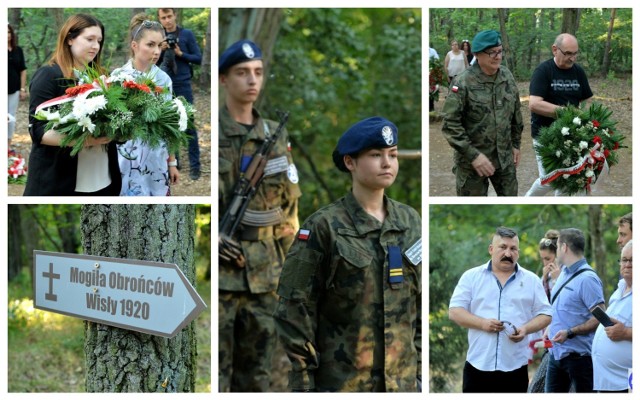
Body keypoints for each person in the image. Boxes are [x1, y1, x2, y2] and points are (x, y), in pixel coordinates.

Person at [274, 117, 421, 392]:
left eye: (393, 154)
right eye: (376, 155)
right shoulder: (323, 227)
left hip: (403, 385)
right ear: (350, 162)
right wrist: (305, 383)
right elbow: (293, 310)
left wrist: (420, 372)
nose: (387, 163)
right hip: (343, 384)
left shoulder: (410, 221)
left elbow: (420, 302)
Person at [218, 39, 301, 392]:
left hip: (267, 278)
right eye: (242, 73)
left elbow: (289, 208)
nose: (252, 80)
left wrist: (292, 275)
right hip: (219, 280)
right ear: (223, 79)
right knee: (216, 378)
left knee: (257, 380)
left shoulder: (275, 136)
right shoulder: (210, 134)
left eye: (258, 73)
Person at [24, 14, 121, 196]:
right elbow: (37, 130)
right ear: (70, 39)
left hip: (103, 180)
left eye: (99, 41)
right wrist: (85, 140)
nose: (95, 46)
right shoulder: (48, 75)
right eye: (89, 39)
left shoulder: (104, 76)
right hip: (60, 182)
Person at [449, 227, 551, 392]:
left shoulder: (531, 280)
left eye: (513, 249)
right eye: (502, 247)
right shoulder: (471, 277)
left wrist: (525, 329)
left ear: (518, 252)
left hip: (515, 367)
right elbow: (454, 311)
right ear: (491, 249)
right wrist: (482, 323)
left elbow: (546, 314)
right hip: (478, 365)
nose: (508, 253)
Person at [442, 30, 523, 196]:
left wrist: (515, 144)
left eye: (500, 51)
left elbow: (516, 113)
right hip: (472, 163)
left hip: (504, 157)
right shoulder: (463, 82)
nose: (497, 56)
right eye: (492, 52)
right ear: (477, 54)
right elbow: (450, 124)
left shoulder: (506, 76)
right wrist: (473, 156)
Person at [115, 14, 179, 196]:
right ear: (135, 46)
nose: (157, 51)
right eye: (150, 45)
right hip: (125, 155)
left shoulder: (164, 79)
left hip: (155, 155)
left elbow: (170, 125)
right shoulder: (119, 77)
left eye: (160, 45)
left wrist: (172, 162)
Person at [525, 33, 593, 196]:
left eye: (575, 53)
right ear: (555, 50)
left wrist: (585, 118)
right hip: (545, 135)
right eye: (568, 53)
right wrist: (566, 112)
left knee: (568, 179)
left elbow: (587, 100)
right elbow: (534, 104)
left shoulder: (578, 72)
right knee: (551, 178)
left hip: (571, 136)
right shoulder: (543, 71)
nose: (572, 58)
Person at [545, 228, 604, 392]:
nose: (556, 251)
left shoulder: (588, 279)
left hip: (579, 359)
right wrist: (550, 328)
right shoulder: (563, 272)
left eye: (557, 247)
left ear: (564, 247)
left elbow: (600, 317)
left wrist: (570, 332)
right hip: (555, 355)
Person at [157, 8, 202, 180]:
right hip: (164, 85)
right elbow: (153, 61)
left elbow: (199, 58)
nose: (167, 20)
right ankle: (175, 163)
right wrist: (160, 50)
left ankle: (195, 167)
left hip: (183, 83)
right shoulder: (158, 36)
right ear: (160, 19)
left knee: (189, 125)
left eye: (169, 16)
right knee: (170, 124)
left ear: (175, 15)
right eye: (163, 18)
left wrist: (180, 53)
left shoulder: (187, 34)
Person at [592, 240, 632, 392]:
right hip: (607, 381)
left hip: (627, 381)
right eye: (624, 260)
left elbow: (624, 331)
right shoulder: (619, 290)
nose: (627, 264)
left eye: (632, 260)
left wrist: (626, 332)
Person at [8, 23, 27, 149]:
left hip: (14, 90)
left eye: (9, 32)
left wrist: (22, 89)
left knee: (10, 118)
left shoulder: (17, 50)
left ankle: (7, 146)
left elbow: (23, 70)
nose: (7, 35)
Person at [539, 229, 562, 300]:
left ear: (558, 255)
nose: (545, 263)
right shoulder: (545, 276)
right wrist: (544, 280)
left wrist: (557, 280)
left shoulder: (568, 272)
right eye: (542, 259)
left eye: (548, 259)